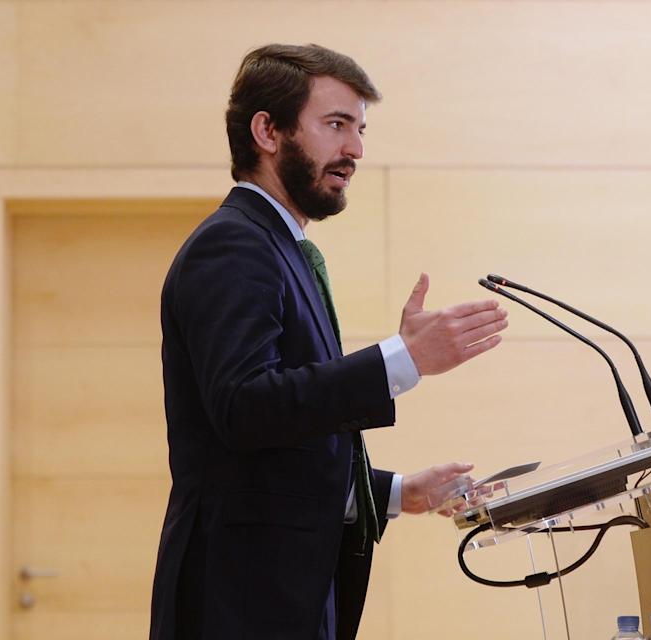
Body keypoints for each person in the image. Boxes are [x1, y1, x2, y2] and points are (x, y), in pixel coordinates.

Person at [149, 43, 508, 639]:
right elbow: (245, 409)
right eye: (336, 125)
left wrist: (397, 493)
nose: (356, 151)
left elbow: (276, 456)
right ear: (267, 130)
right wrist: (403, 360)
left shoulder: (283, 250)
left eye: (360, 130)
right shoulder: (234, 245)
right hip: (237, 605)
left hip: (280, 598)